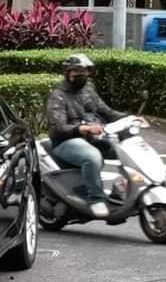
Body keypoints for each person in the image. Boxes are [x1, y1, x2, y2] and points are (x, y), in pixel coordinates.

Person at [46, 53, 141, 219]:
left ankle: (121, 189)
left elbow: (108, 113)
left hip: (92, 139)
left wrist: (130, 118)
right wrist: (82, 129)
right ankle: (96, 198)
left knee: (127, 152)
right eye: (77, 71)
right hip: (66, 141)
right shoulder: (58, 96)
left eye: (85, 71)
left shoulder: (88, 92)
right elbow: (58, 127)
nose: (82, 75)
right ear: (68, 73)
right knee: (93, 157)